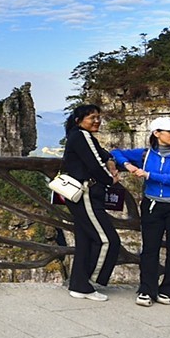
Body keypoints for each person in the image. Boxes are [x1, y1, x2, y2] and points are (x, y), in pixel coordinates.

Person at [112, 116, 170, 306]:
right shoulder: (146, 154)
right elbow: (116, 153)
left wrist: (150, 175)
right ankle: (146, 289)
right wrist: (128, 165)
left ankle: (168, 289)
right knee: (149, 249)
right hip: (152, 204)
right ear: (157, 133)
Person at [60, 104, 121, 301]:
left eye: (98, 117)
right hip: (85, 193)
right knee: (108, 240)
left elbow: (100, 153)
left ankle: (78, 285)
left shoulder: (79, 136)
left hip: (82, 195)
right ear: (79, 121)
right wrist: (110, 179)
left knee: (85, 240)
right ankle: (88, 282)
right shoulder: (81, 136)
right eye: (92, 117)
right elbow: (95, 165)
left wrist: (110, 159)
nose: (97, 121)